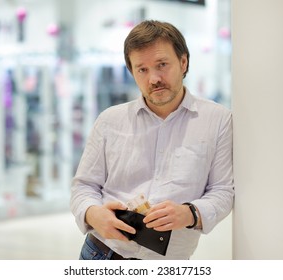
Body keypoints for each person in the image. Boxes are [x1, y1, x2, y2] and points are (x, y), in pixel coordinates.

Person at [70, 20, 234, 260]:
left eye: (162, 65)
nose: (154, 78)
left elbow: (222, 191)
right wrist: (92, 213)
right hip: (102, 253)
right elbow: (84, 186)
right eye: (142, 69)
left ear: (183, 62)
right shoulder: (109, 121)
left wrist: (190, 213)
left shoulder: (217, 120)